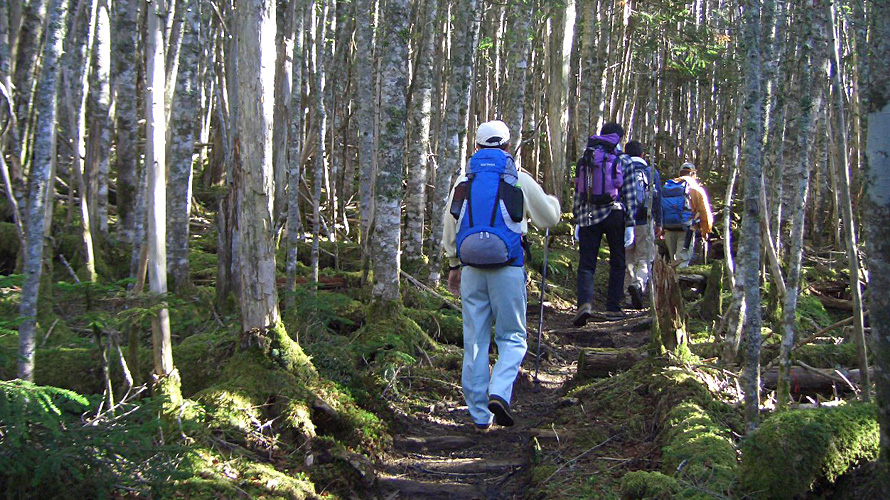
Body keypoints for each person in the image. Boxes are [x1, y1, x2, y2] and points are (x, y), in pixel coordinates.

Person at [443, 120, 561, 433]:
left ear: (477, 147)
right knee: (512, 337)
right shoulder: (517, 177)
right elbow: (549, 218)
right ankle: (500, 390)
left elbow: (449, 225)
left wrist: (453, 264)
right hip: (508, 267)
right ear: (508, 146)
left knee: (475, 341)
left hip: (470, 269)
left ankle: (480, 416)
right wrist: (555, 203)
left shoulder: (463, 179)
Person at [572, 122, 639, 326]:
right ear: (619, 137)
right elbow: (630, 194)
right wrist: (631, 223)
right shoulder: (624, 160)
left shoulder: (585, 158)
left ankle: (584, 303)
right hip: (615, 214)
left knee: (586, 264)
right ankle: (613, 308)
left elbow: (578, 192)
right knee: (618, 262)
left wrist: (577, 219)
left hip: (588, 216)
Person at [623, 141, 662, 309]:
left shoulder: (621, 168)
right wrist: (659, 222)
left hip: (624, 222)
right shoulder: (651, 172)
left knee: (627, 260)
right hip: (645, 221)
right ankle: (639, 284)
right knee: (645, 258)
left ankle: (627, 298)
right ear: (642, 155)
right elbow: (658, 199)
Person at [661, 162, 713, 268]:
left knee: (673, 260)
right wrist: (705, 231)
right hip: (686, 230)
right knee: (682, 260)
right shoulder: (695, 189)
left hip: (668, 229)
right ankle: (679, 282)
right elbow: (705, 213)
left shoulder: (668, 187)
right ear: (693, 174)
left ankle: (671, 281)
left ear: (680, 173)